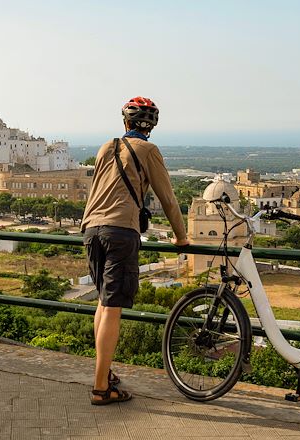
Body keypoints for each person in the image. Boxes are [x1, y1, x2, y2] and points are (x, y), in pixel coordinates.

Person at [81, 96, 190, 404]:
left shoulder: (106, 147)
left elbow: (96, 190)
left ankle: (105, 371)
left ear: (125, 122)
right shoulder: (149, 150)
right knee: (113, 306)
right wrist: (181, 238)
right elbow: (167, 198)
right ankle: (101, 387)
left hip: (91, 229)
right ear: (151, 126)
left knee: (103, 302)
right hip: (120, 230)